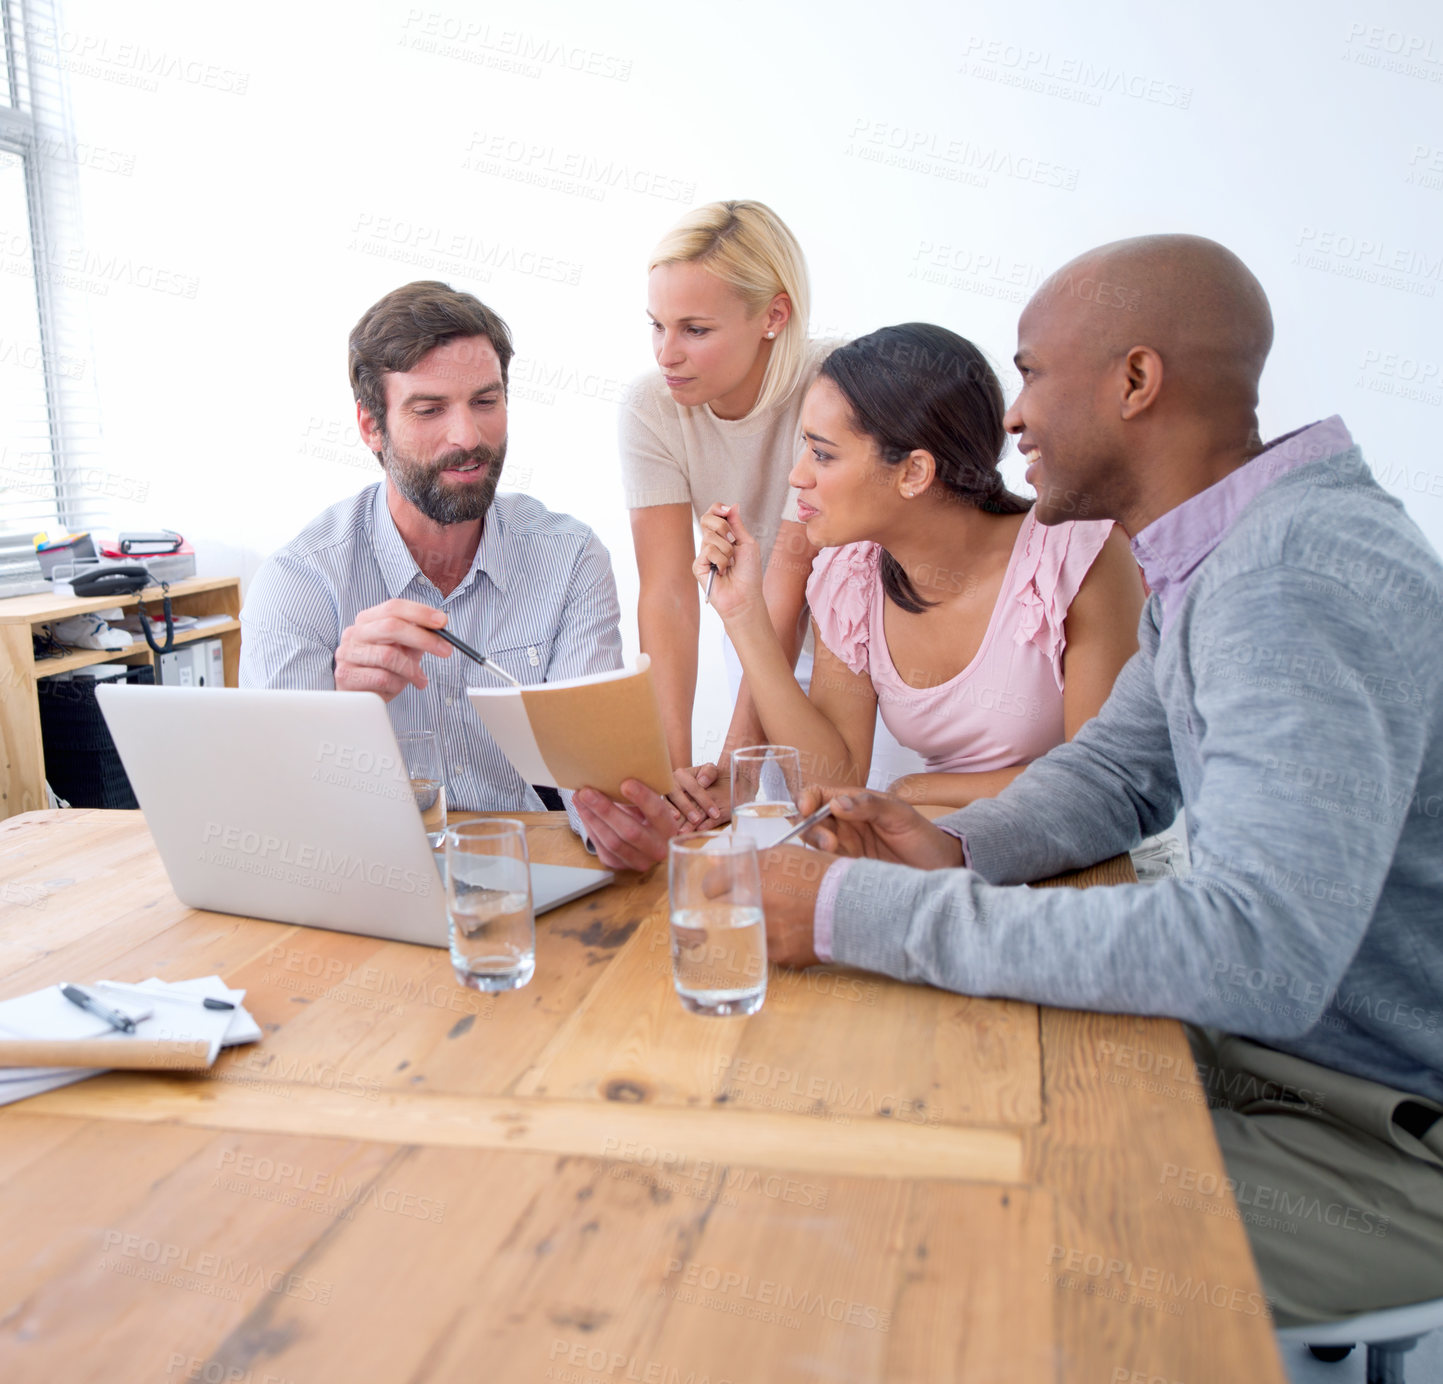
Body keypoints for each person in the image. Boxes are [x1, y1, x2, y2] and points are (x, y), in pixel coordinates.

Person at [745, 235, 1443, 1328]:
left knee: (948, 1238)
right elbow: (1119, 771)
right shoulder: (1224, 556)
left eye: (1028, 373)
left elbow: (1254, 949)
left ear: (1135, 381)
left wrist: (851, 908)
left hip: (1384, 1134)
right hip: (1278, 1067)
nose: (1010, 417)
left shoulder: (1295, 581)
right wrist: (958, 846)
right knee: (931, 1102)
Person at [693, 323, 1143, 810]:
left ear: (914, 472)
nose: (797, 475)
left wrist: (916, 790)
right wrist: (744, 614)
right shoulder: (850, 577)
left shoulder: (1077, 552)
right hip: (946, 851)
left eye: (822, 454)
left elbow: (1097, 784)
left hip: (1084, 868)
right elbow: (828, 790)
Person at [240, 280, 622, 824]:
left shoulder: (570, 559)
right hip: (367, 879)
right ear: (372, 427)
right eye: (429, 410)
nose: (466, 436)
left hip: (532, 871)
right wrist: (339, 703)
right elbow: (275, 813)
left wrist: (619, 826)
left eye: (485, 402)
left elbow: (594, 788)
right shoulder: (297, 583)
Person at [620, 199, 840, 819]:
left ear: (773, 316)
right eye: (656, 325)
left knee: (843, 826)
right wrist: (675, 773)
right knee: (772, 839)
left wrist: (738, 767)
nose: (667, 354)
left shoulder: (835, 383)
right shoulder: (651, 407)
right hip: (753, 630)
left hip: (850, 644)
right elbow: (665, 593)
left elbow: (792, 583)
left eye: (695, 329)